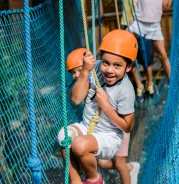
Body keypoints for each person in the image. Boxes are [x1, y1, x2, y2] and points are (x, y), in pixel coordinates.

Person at [58, 29, 138, 184]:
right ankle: (75, 181)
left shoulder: (126, 90)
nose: (109, 70)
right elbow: (75, 99)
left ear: (128, 67)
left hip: (109, 136)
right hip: (87, 126)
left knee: (79, 145)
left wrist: (107, 107)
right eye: (106, 63)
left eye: (117, 66)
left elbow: (127, 127)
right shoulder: (96, 70)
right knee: (64, 137)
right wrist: (85, 71)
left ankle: (95, 179)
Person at [128, 0, 172, 100]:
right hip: (139, 23)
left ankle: (172, 82)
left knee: (163, 55)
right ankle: (138, 85)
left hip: (155, 25)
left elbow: (165, 6)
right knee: (126, 46)